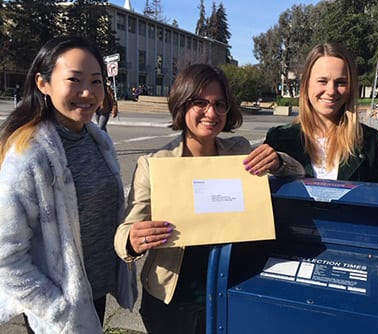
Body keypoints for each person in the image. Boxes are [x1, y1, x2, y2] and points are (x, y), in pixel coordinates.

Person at [114, 63, 304, 334]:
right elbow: (124, 233)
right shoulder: (155, 164)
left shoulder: (238, 152)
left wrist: (277, 161)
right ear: (182, 104)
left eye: (219, 104)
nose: (211, 112)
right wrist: (133, 241)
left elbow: (297, 172)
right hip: (172, 298)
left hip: (229, 290)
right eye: (200, 102)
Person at [0, 35, 136, 334]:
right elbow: (5, 257)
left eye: (96, 81)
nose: (87, 92)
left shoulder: (98, 140)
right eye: (74, 80)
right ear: (43, 83)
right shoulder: (28, 153)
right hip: (62, 307)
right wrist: (57, 307)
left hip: (94, 291)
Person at [264, 42, 378, 183]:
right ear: (306, 85)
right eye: (322, 81)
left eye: (341, 82)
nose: (331, 91)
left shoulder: (371, 142)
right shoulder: (278, 138)